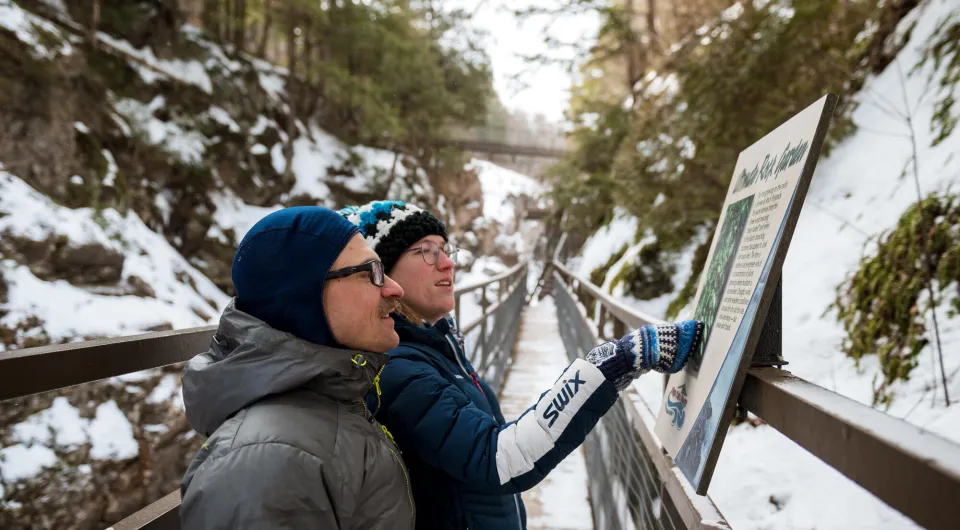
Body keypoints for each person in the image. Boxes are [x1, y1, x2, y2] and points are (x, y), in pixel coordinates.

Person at [340, 200, 703, 530]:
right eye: (428, 252)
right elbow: (499, 457)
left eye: (447, 249)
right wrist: (617, 360)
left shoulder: (436, 343)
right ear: (383, 274)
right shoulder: (397, 367)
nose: (449, 262)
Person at [179, 206, 415, 530]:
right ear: (305, 295)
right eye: (370, 272)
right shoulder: (265, 463)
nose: (394, 288)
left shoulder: (335, 403)